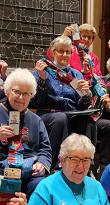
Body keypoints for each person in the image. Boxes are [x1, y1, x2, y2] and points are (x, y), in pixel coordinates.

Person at [0, 68, 51, 196]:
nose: (21, 98)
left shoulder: (36, 120)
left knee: (42, 185)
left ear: (32, 96)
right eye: (16, 92)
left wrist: (42, 163)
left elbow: (45, 149)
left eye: (26, 93)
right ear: (7, 91)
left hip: (28, 172)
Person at [31, 36, 92, 168]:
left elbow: (80, 106)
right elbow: (37, 102)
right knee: (60, 118)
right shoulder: (43, 71)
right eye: (61, 51)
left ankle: (86, 165)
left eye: (68, 52)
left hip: (71, 114)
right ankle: (52, 165)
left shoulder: (76, 75)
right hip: (48, 115)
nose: (65, 55)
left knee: (87, 121)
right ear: (53, 52)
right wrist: (42, 80)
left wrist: (86, 94)